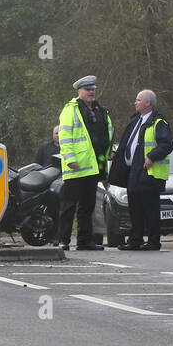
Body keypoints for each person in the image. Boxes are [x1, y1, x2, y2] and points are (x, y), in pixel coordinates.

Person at [55, 76, 114, 251]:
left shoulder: (100, 110)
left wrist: (110, 150)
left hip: (94, 166)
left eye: (93, 88)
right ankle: (63, 240)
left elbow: (107, 132)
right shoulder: (70, 110)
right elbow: (64, 137)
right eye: (88, 89)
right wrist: (70, 159)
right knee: (69, 206)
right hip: (76, 166)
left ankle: (84, 241)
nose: (91, 92)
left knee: (87, 207)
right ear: (79, 91)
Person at [115, 89, 172, 251]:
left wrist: (152, 156)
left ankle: (154, 242)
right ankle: (135, 240)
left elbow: (166, 145)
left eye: (138, 100)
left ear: (148, 103)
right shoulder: (136, 121)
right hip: (134, 171)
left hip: (150, 173)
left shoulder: (159, 122)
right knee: (135, 208)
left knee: (151, 210)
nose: (135, 102)